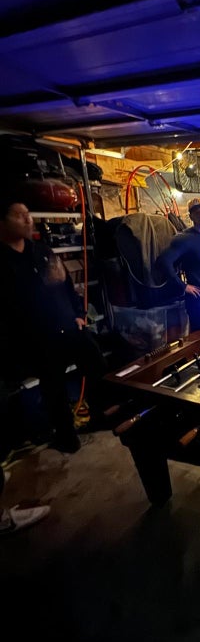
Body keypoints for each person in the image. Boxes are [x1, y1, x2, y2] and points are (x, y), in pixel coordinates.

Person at [0, 191, 108, 454]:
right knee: (53, 387)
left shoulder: (41, 251)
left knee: (97, 364)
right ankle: (66, 437)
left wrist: (79, 314)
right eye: (19, 215)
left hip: (68, 326)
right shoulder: (2, 262)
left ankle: (102, 417)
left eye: (28, 214)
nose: (28, 220)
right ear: (2, 223)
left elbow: (66, 284)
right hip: (36, 338)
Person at [156, 199, 200, 333]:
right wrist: (183, 286)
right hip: (198, 300)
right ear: (191, 217)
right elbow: (163, 262)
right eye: (197, 213)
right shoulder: (184, 239)